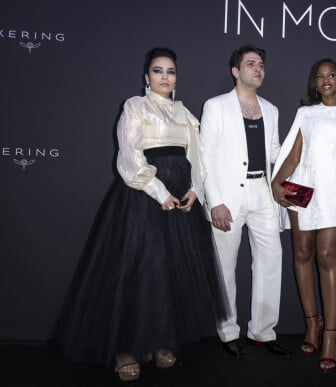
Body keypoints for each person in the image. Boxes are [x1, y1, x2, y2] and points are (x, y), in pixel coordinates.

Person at [52, 48, 229, 382]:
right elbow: (129, 156)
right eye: (158, 71)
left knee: (168, 273)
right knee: (136, 272)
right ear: (146, 77)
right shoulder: (135, 106)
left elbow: (199, 157)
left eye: (171, 71)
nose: (165, 77)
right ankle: (125, 348)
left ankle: (160, 340)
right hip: (142, 200)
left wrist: (196, 191)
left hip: (181, 202)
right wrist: (160, 192)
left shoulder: (185, 112)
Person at [271, 58, 336, 373]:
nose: (326, 79)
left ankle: (330, 335)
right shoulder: (306, 113)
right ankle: (312, 324)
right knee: (301, 252)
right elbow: (294, 154)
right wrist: (276, 182)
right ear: (315, 82)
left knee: (327, 256)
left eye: (332, 74)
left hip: (335, 190)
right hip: (303, 187)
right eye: (320, 76)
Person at [200, 45, 292, 359]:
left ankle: (263, 333)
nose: (258, 69)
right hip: (227, 197)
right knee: (224, 266)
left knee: (271, 261)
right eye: (250, 64)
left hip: (263, 194)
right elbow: (204, 156)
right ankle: (228, 333)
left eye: (261, 64)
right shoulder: (215, 106)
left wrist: (300, 170)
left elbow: (275, 154)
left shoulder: (271, 108)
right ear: (236, 71)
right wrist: (215, 202)